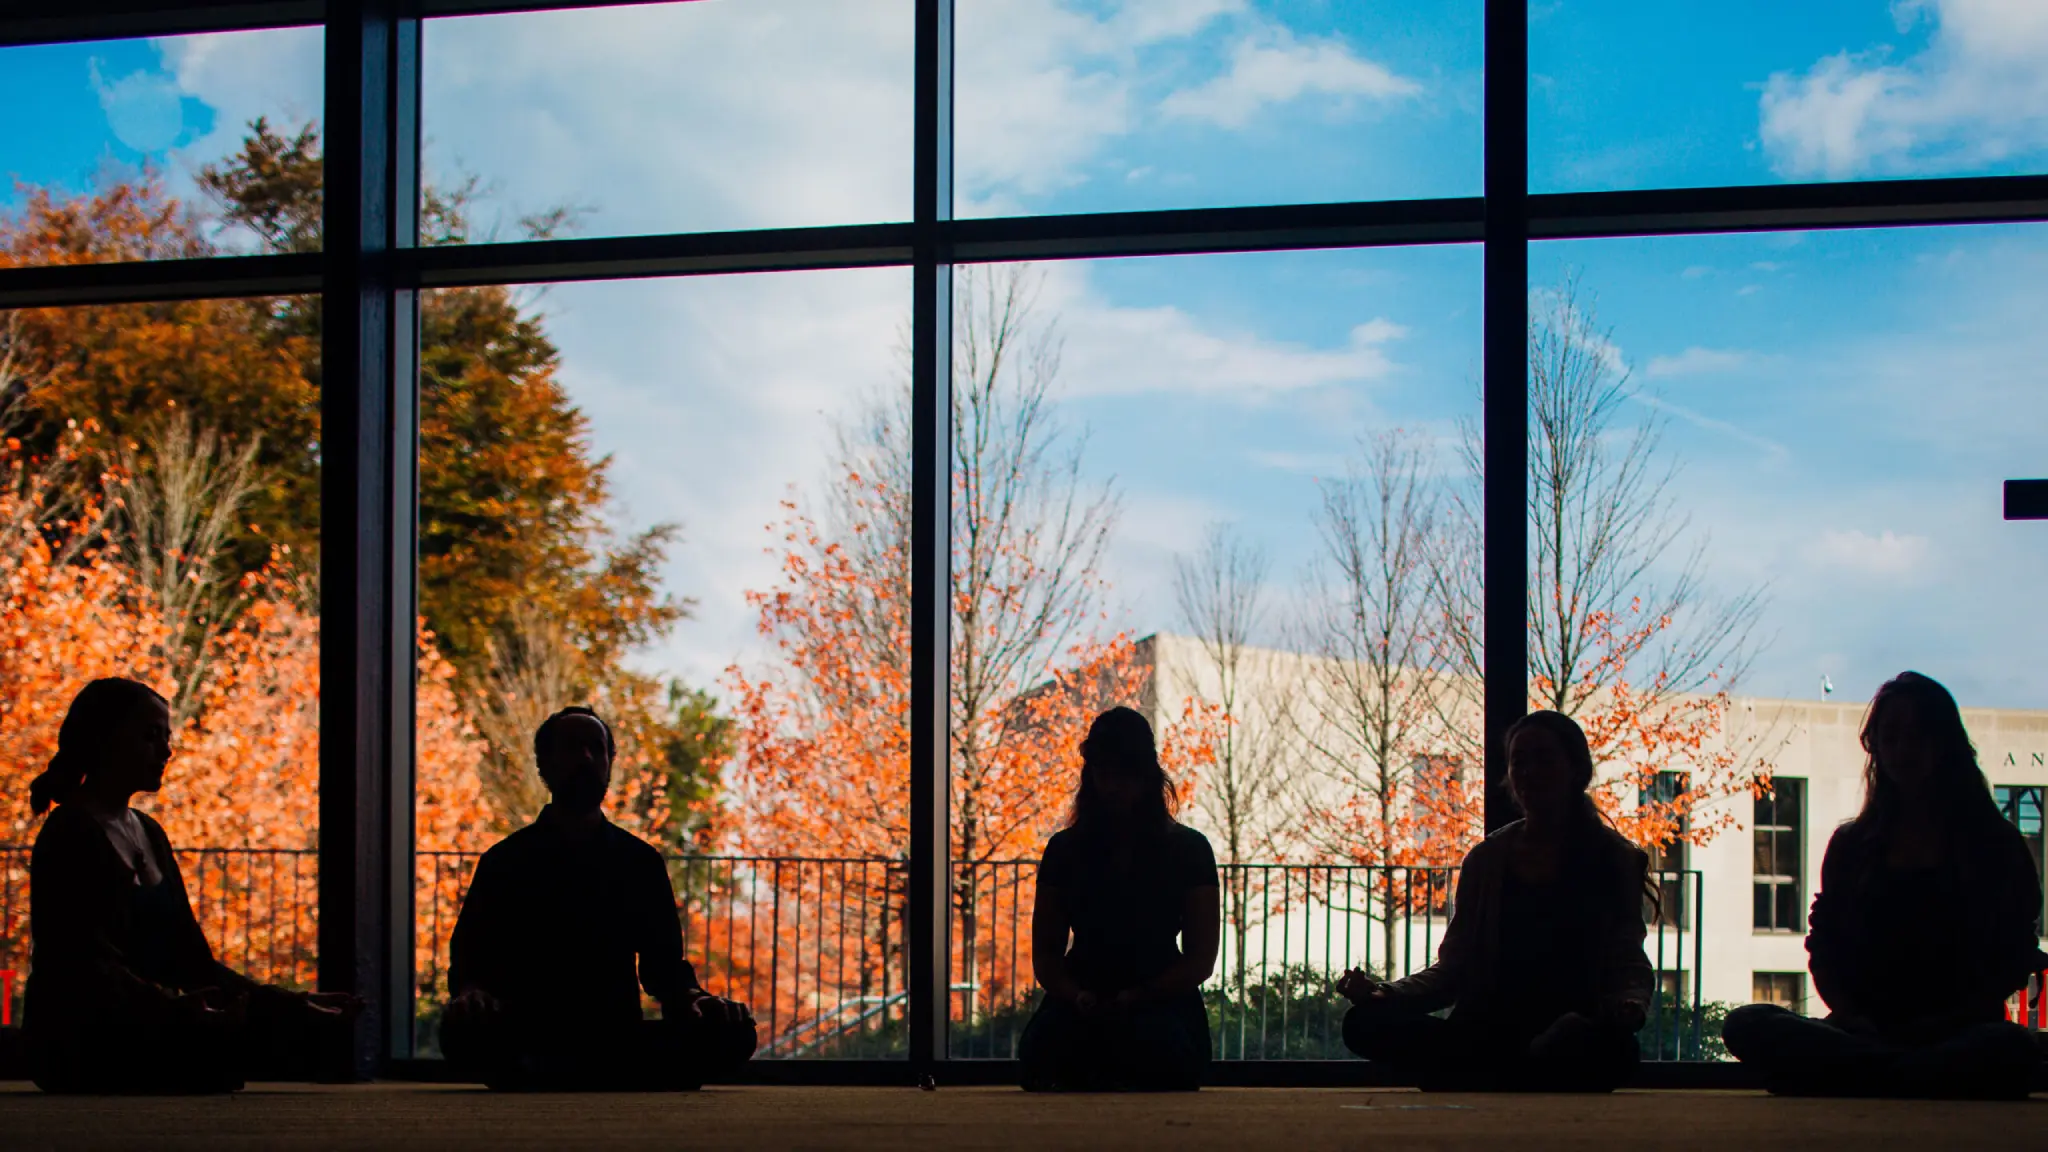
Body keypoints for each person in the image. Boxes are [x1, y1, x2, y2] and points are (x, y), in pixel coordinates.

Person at [23, 678, 357, 1094]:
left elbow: (192, 959)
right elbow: (83, 964)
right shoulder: (70, 832)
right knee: (234, 1055)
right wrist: (174, 1010)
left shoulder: (149, 832)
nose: (166, 751)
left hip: (157, 1017)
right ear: (104, 738)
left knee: (304, 1034)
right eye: (150, 736)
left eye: (167, 737)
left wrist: (287, 1002)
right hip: (82, 1030)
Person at [1723, 671, 2045, 1100]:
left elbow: (2013, 953)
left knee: (2012, 1047)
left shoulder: (1994, 844)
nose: (1902, 749)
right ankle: (1908, 1075)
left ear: (1944, 743)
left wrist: (1942, 1023)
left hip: (1957, 1031)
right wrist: (1854, 1017)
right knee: (1745, 1022)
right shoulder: (1852, 845)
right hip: (1863, 1030)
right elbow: (1825, 943)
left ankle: (1872, 1074)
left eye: (1916, 735)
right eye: (1890, 735)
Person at [441, 705, 756, 1091]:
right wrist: (471, 994)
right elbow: (471, 956)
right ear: (544, 765)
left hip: (615, 1034)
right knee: (459, 1030)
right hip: (531, 1031)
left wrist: (695, 998)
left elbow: (663, 968)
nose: (586, 758)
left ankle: (552, 1075)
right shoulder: (505, 860)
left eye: (596, 748)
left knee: (734, 1032)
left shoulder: (640, 861)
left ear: (609, 763)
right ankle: (598, 1073)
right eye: (572, 748)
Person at [1338, 710, 1652, 1092]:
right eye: (1519, 761)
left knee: (1614, 1049)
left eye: (1544, 758)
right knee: (1361, 1023)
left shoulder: (1614, 858)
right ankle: (1524, 1070)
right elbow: (1454, 971)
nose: (1529, 772)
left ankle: (1491, 1072)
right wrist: (1384, 993)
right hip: (1483, 1029)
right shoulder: (1487, 859)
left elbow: (1626, 959)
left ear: (1576, 769)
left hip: (1569, 1027)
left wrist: (1630, 1004)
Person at [1018, 706, 1220, 1092]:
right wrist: (1088, 996)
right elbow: (1198, 960)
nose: (1112, 786)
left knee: (1048, 1061)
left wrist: (1083, 996)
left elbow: (1201, 960)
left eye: (1122, 775)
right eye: (1104, 774)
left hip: (1134, 995)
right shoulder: (1188, 848)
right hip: (1140, 995)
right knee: (1158, 1058)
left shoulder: (1067, 850)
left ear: (1146, 776)